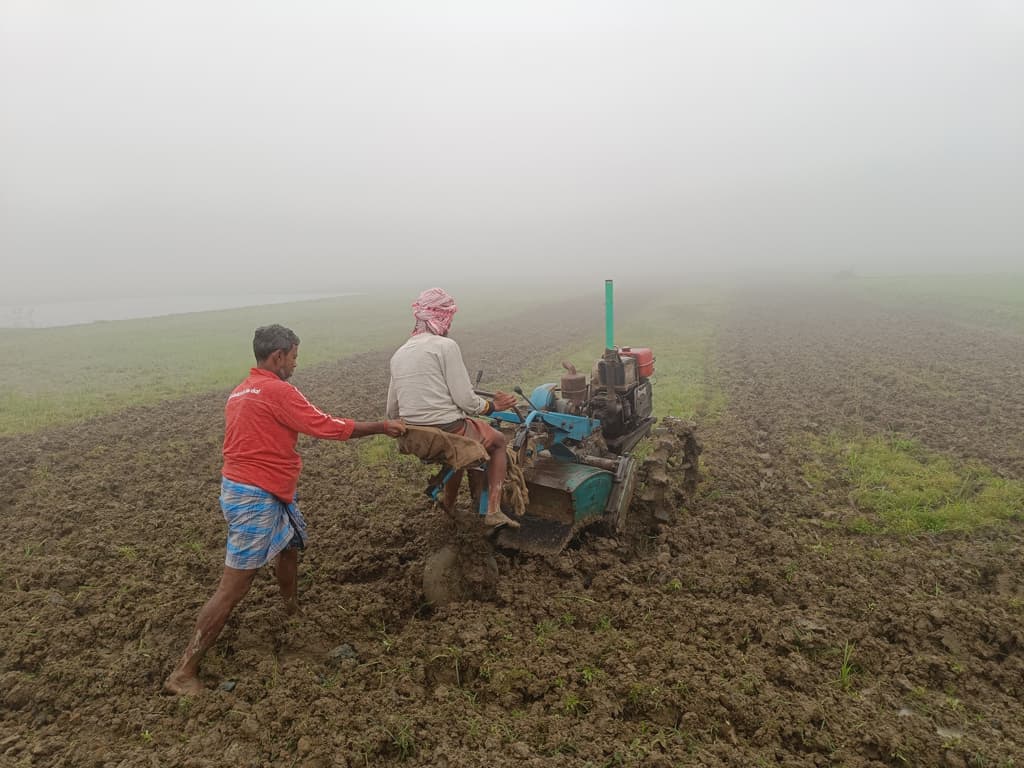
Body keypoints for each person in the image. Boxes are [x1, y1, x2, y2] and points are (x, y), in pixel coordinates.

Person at [164, 324, 405, 696]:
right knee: (233, 589)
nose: (295, 364)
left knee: (289, 545)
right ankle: (184, 671)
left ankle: (292, 612)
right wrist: (380, 426)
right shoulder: (277, 391)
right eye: (293, 357)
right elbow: (325, 426)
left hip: (262, 490)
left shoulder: (241, 391)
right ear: (278, 356)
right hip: (254, 497)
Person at [386, 288, 520, 529]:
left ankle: (449, 504)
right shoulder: (445, 346)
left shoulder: (399, 354)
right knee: (498, 441)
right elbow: (467, 401)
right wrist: (491, 406)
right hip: (446, 430)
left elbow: (391, 410)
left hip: (414, 437)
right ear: (442, 317)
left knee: (457, 452)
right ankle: (493, 510)